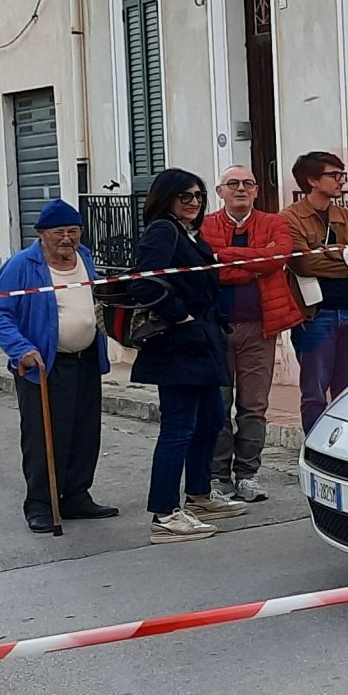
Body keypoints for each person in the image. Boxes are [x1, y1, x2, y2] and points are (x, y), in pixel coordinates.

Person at [0, 199, 118, 532]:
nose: (67, 239)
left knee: (85, 432)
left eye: (73, 231)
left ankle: (75, 495)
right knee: (44, 435)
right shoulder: (23, 266)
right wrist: (21, 349)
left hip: (86, 359)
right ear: (42, 234)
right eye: (59, 232)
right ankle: (41, 503)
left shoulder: (84, 258)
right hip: (45, 363)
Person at [124, 167, 242, 542]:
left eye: (198, 196)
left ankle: (199, 494)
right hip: (178, 345)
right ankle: (164, 514)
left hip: (203, 342)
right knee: (178, 428)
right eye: (185, 196)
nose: (194, 203)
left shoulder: (190, 233)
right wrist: (181, 314)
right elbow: (142, 280)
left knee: (210, 420)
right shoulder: (163, 230)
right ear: (167, 198)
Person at [206, 165, 303, 502]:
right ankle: (219, 477)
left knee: (254, 406)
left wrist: (228, 258)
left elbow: (277, 259)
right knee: (217, 405)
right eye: (233, 183)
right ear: (220, 192)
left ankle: (247, 475)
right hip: (215, 331)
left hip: (260, 329)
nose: (241, 189)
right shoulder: (205, 226)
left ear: (257, 191)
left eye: (248, 183)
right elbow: (212, 272)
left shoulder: (275, 222)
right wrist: (253, 263)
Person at [285, 151, 348, 433]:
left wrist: (331, 255)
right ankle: (314, 446)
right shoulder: (290, 218)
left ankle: (345, 446)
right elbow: (302, 262)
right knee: (314, 391)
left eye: (342, 175)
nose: (341, 181)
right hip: (316, 317)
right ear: (312, 180)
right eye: (334, 175)